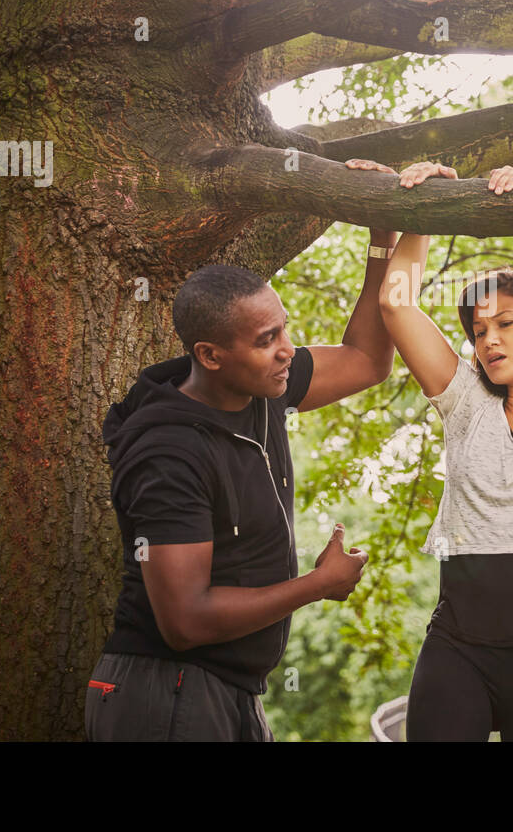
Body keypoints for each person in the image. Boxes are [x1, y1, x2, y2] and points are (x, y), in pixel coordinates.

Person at [344, 156, 513, 741]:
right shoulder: (468, 406)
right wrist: (422, 212)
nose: (489, 339)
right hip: (458, 647)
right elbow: (396, 306)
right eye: (478, 331)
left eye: (506, 323)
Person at [87, 222, 399, 741]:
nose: (287, 350)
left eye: (284, 330)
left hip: (227, 693)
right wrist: (318, 586)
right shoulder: (168, 454)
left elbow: (367, 360)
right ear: (210, 355)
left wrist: (385, 236)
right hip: (166, 696)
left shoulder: (262, 386)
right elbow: (184, 622)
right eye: (267, 339)